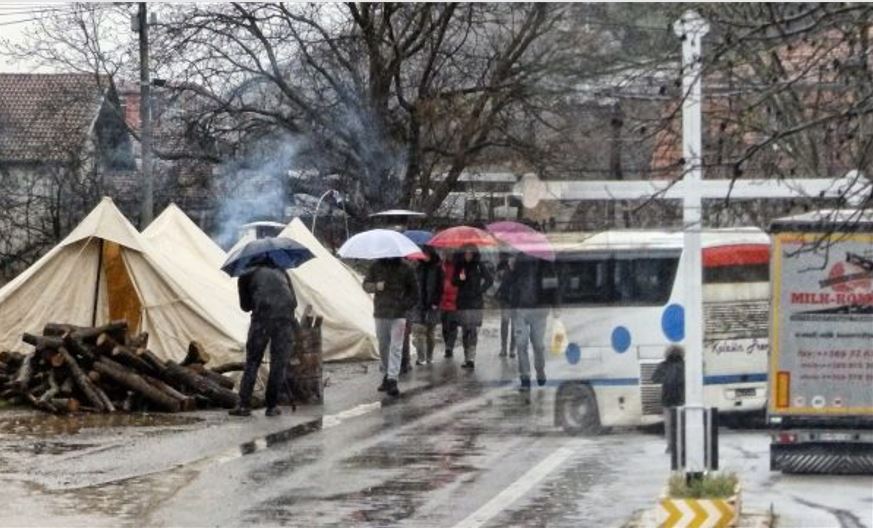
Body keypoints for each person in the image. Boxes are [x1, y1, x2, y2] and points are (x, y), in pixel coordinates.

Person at [230, 257, 298, 417]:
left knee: (253, 361)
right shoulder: (281, 271)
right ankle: (272, 406)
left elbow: (245, 307)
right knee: (278, 364)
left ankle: (244, 405)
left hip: (262, 320)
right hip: (285, 320)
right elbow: (293, 302)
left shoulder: (245, 275)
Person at [363, 257, 419, 397]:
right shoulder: (376, 265)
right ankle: (387, 374)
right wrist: (376, 287)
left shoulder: (406, 268)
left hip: (399, 315)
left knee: (396, 347)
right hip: (381, 313)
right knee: (383, 346)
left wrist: (404, 305)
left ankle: (393, 379)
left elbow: (415, 292)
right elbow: (365, 285)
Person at [505, 254, 555, 392]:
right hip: (520, 309)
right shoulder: (518, 261)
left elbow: (552, 286)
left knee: (538, 345)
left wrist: (555, 305)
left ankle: (540, 369)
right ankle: (525, 378)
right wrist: (510, 269)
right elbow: (507, 284)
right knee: (521, 344)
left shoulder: (545, 263)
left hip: (540, 311)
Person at [452, 244, 494, 370]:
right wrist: (460, 279)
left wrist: (480, 290)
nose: (468, 255)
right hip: (463, 302)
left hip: (475, 303)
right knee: (465, 331)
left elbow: (489, 280)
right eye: (466, 253)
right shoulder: (459, 266)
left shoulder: (479, 266)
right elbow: (454, 282)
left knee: (472, 330)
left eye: (470, 253)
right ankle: (466, 357)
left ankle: (471, 357)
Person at [412, 245, 443, 365]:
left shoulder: (438, 268)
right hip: (419, 304)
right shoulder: (418, 268)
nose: (425, 257)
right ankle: (421, 358)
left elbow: (440, 287)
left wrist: (436, 302)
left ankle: (429, 356)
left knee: (430, 332)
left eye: (427, 254)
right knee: (418, 331)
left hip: (432, 304)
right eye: (423, 254)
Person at [652, 345, 685, 453]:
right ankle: (681, 445)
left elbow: (654, 379)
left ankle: (670, 446)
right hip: (681, 398)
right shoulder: (684, 365)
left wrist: (666, 379)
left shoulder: (663, 365)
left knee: (669, 424)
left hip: (667, 398)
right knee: (681, 424)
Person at [495, 253, 517, 358]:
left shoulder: (521, 267)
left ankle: (512, 348)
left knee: (515, 325)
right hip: (505, 300)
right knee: (505, 322)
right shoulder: (502, 265)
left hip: (517, 300)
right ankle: (503, 347)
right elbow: (497, 280)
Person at [439, 252, 460, 359]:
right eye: (446, 252)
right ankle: (448, 345)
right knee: (444, 327)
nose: (448, 254)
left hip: (455, 300)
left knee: (453, 325)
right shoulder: (441, 265)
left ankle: (449, 347)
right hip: (443, 300)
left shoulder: (458, 266)